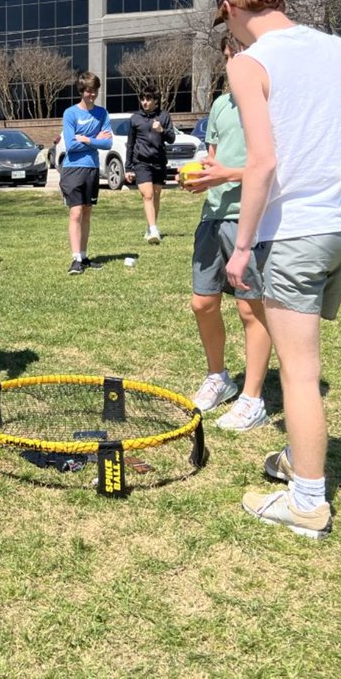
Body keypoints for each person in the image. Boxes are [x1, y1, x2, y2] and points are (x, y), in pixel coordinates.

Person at [216, 0, 341, 539]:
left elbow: (263, 161)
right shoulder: (339, 49)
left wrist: (242, 248)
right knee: (304, 365)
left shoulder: (250, 63)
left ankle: (307, 502)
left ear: (231, 9)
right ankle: (298, 458)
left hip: (297, 234)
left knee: (300, 374)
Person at [182, 34, 272, 432]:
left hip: (250, 217)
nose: (232, 61)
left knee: (250, 308)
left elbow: (272, 165)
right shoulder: (220, 105)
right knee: (203, 303)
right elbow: (214, 160)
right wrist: (202, 177)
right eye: (228, 55)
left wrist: (228, 175)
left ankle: (253, 398)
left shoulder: (270, 103)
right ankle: (219, 378)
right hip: (213, 216)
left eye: (239, 52)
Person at [59, 71, 113, 274]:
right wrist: (91, 139)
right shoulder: (70, 113)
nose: (92, 94)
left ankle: (84, 255)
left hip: (92, 168)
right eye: (89, 91)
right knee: (76, 212)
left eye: (95, 90)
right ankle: (75, 260)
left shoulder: (102, 113)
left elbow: (107, 143)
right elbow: (71, 145)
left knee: (87, 212)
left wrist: (88, 139)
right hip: (73, 169)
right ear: (82, 91)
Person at [124, 84, 175, 244]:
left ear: (156, 101)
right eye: (143, 99)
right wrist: (128, 167)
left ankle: (150, 226)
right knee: (148, 195)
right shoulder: (135, 118)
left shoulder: (164, 116)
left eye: (148, 99)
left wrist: (162, 130)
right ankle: (154, 230)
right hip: (142, 162)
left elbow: (172, 138)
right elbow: (130, 144)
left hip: (159, 161)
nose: (145, 102)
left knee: (156, 196)